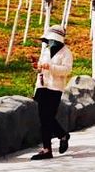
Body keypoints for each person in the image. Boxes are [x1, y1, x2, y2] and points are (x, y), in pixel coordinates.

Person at [30, 25, 73, 160]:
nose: (49, 42)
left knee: (48, 117)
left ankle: (52, 144)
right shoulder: (46, 50)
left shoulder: (66, 53)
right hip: (42, 85)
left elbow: (66, 70)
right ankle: (52, 143)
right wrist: (37, 66)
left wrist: (51, 67)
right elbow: (41, 66)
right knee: (44, 117)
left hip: (55, 88)